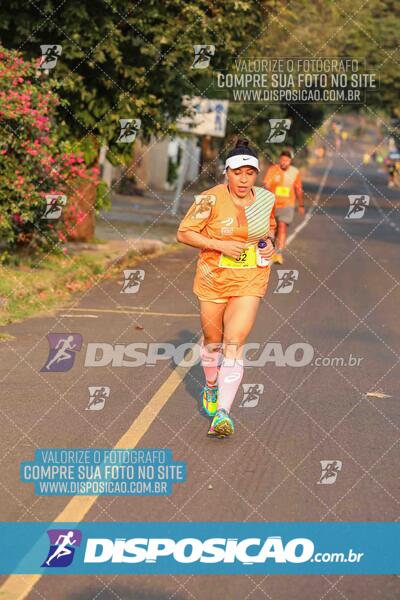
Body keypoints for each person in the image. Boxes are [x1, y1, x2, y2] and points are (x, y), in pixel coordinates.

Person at [176, 138, 276, 438]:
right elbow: (184, 233)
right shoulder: (209, 199)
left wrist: (269, 244)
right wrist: (219, 244)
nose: (243, 179)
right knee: (213, 340)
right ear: (227, 173)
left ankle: (222, 412)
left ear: (255, 174)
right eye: (237, 173)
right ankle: (210, 385)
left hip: (251, 276)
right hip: (213, 276)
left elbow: (268, 229)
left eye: (249, 173)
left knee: (234, 341)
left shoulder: (266, 200)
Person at [263, 150, 304, 264]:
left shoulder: (295, 172)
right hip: (272, 204)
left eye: (287, 160)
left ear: (290, 161)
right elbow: (266, 184)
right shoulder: (273, 170)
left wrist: (300, 204)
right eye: (282, 160)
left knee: (282, 226)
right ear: (279, 160)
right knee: (271, 229)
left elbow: (298, 189)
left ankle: (279, 253)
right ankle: (270, 251)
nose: (284, 162)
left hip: (287, 204)